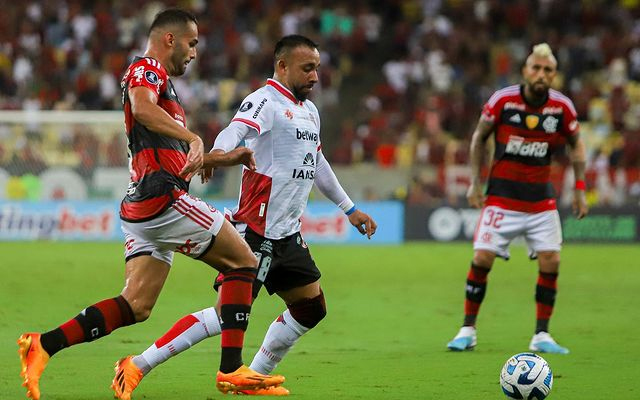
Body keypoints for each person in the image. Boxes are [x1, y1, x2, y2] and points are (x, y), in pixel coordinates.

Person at [17, 9, 284, 400]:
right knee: (244, 261)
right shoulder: (146, 68)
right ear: (170, 39)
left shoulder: (166, 90)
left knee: (137, 304)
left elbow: (163, 145)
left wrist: (219, 157)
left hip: (143, 207)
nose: (195, 52)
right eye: (191, 43)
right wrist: (193, 137)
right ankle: (231, 370)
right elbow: (142, 109)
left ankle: (43, 345)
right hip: (163, 200)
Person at [109, 34, 378, 398]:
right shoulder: (264, 101)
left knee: (311, 308)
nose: (315, 76)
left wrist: (350, 209)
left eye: (317, 68)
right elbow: (235, 131)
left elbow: (317, 163)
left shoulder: (309, 111)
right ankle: (137, 365)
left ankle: (254, 376)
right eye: (307, 68)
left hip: (287, 235)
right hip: (255, 232)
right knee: (225, 316)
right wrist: (215, 155)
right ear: (282, 66)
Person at [446, 43, 588, 354]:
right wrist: (474, 183)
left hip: (541, 202)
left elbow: (576, 145)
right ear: (525, 71)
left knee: (552, 261)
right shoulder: (503, 101)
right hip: (501, 198)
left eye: (547, 70)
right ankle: (467, 329)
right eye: (536, 68)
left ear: (554, 75)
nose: (541, 74)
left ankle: (542, 335)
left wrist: (579, 188)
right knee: (482, 258)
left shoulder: (562, 107)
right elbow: (478, 138)